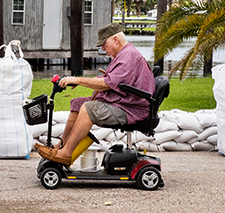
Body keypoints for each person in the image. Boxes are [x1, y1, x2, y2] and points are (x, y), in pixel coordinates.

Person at [35, 22, 155, 166]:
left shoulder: (128, 57)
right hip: (122, 102)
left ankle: (65, 154)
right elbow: (111, 80)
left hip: (130, 110)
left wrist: (78, 80)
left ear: (115, 40)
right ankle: (61, 146)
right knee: (77, 103)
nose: (103, 49)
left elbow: (107, 83)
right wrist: (79, 82)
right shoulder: (123, 55)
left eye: (104, 44)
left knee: (89, 108)